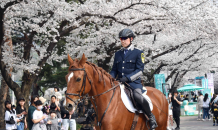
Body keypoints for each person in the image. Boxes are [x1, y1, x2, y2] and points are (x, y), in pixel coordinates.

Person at [110, 28, 157, 129]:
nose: (122, 40)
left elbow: (139, 71)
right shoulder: (117, 54)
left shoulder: (138, 53)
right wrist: (111, 78)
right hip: (119, 82)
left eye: (124, 38)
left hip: (133, 83)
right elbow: (114, 69)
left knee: (138, 97)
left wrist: (127, 78)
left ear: (131, 39)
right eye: (121, 38)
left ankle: (150, 116)